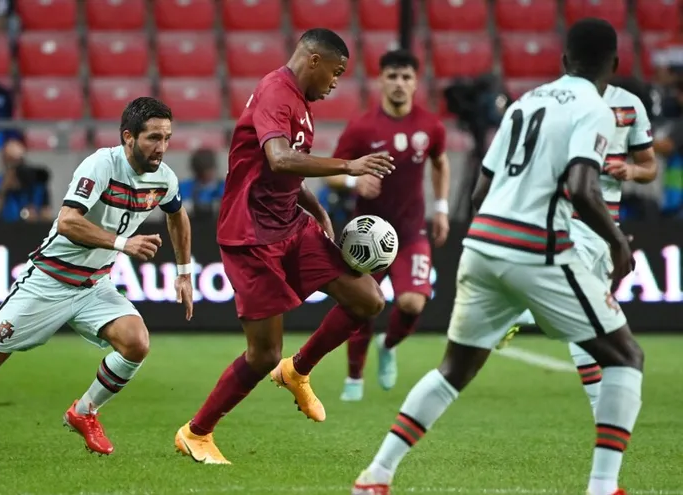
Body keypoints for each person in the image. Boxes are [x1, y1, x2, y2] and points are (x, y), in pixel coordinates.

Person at [352, 19, 643, 495]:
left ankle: (376, 475)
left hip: (483, 244)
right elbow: (585, 189)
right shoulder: (597, 109)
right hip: (534, 249)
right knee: (626, 357)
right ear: (613, 65)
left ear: (564, 60)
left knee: (453, 370)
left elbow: (482, 186)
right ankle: (603, 487)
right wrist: (617, 243)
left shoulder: (524, 102)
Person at [0, 97, 195, 465]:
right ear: (128, 137)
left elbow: (177, 216)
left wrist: (184, 272)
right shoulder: (100, 166)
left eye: (166, 138)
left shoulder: (164, 177)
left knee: (136, 342)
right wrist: (123, 243)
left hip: (94, 284)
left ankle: (84, 411)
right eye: (152, 138)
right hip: (49, 280)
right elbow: (66, 221)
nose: (161, 147)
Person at [175, 28, 394, 465]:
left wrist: (315, 209)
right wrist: (348, 166)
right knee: (262, 354)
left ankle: (298, 370)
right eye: (336, 72)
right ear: (314, 61)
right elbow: (279, 158)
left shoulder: (303, 105)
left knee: (368, 299)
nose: (336, 82)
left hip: (290, 224)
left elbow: (286, 174)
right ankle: (196, 433)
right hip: (251, 235)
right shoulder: (276, 92)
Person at [499, 79, 657, 416]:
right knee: (580, 313)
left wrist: (630, 170)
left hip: (603, 224)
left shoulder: (629, 106)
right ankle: (604, 407)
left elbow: (650, 166)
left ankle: (518, 308)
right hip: (565, 218)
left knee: (590, 315)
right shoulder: (561, 101)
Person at [316, 49, 450, 401]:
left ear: (415, 83)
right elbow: (331, 172)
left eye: (406, 77)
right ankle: (354, 378)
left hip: (410, 232)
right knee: (360, 306)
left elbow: (440, 162)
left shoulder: (430, 125)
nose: (399, 84)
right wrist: (353, 182)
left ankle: (388, 345)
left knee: (411, 304)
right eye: (392, 76)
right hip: (366, 236)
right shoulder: (362, 127)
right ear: (381, 81)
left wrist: (442, 208)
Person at [0, 138, 53, 222]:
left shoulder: (37, 184)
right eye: (12, 162)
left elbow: (47, 215)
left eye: (20, 161)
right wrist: (3, 189)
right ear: (4, 161)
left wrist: (38, 216)